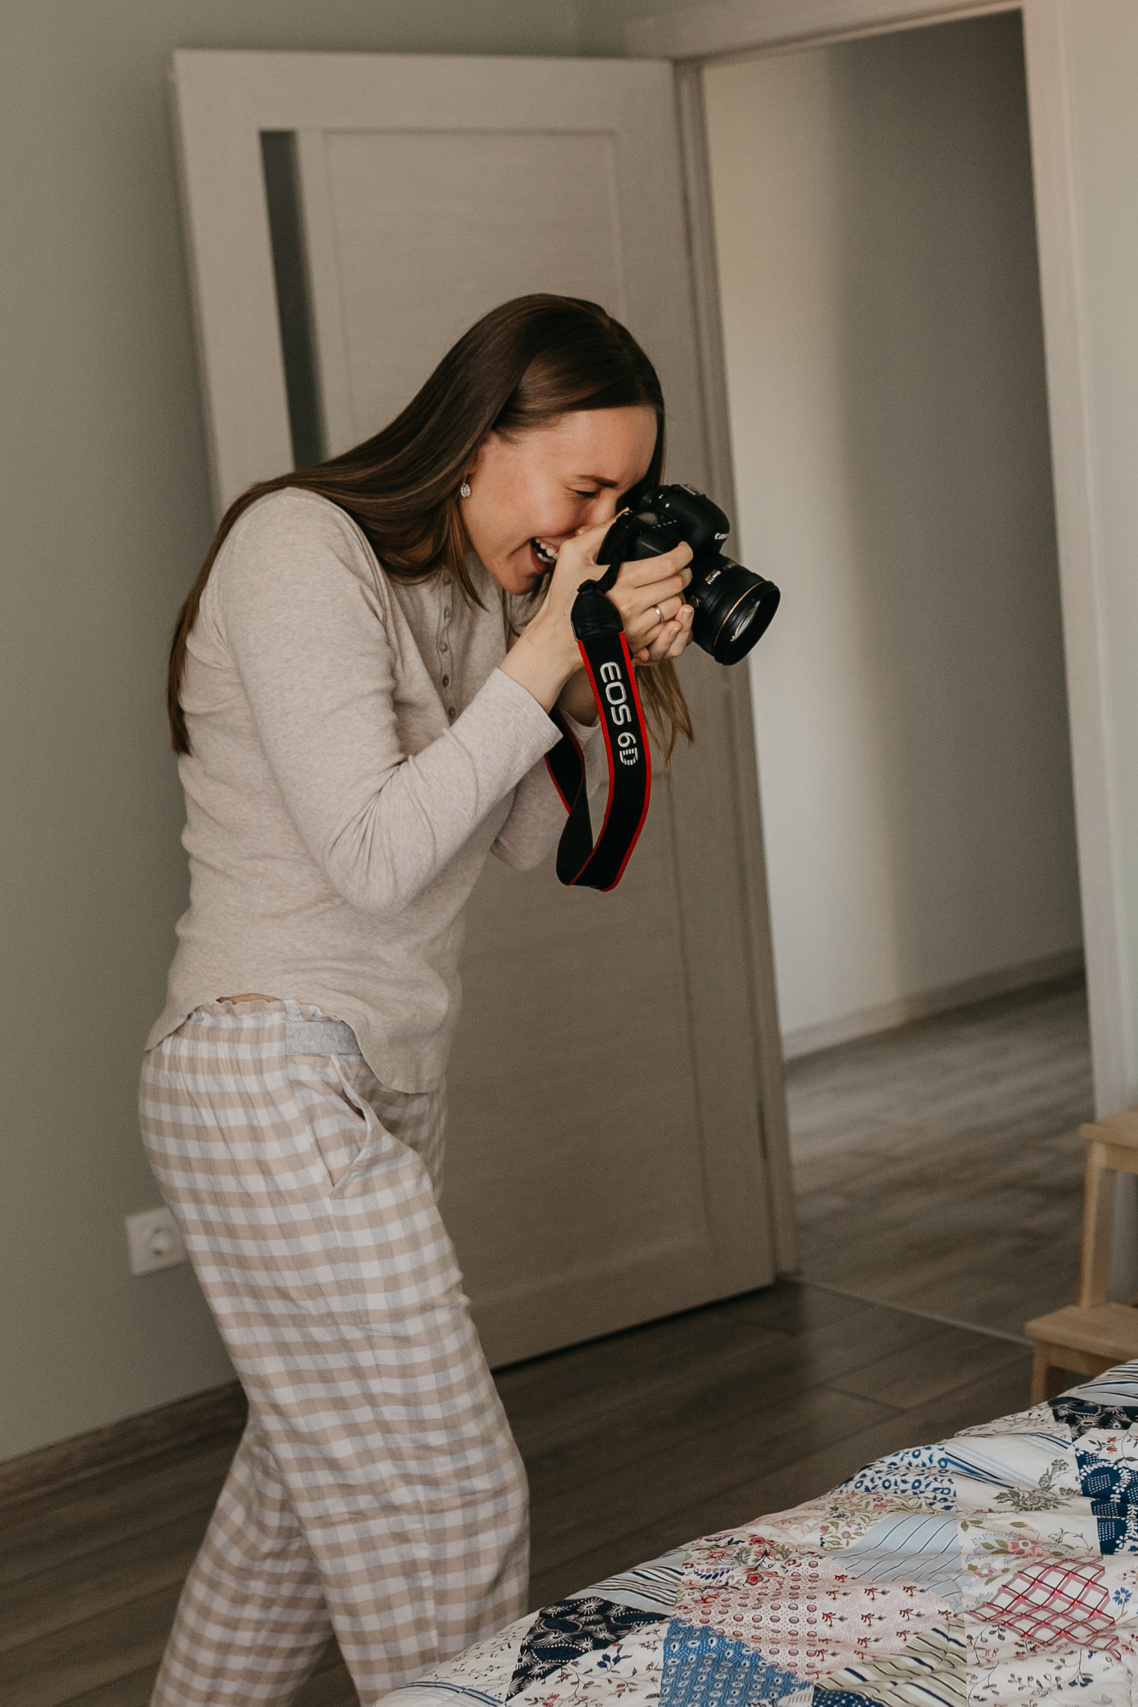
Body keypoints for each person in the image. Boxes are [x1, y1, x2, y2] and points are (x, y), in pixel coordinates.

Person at [142, 295, 700, 1707]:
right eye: (586, 488)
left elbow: (522, 839)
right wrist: (549, 648)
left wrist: (591, 673)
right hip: (263, 1060)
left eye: (622, 499)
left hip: (376, 1076)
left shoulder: (474, 595)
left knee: (294, 1495)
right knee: (446, 1493)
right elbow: (377, 853)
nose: (596, 528)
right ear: (477, 437)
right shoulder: (297, 546)